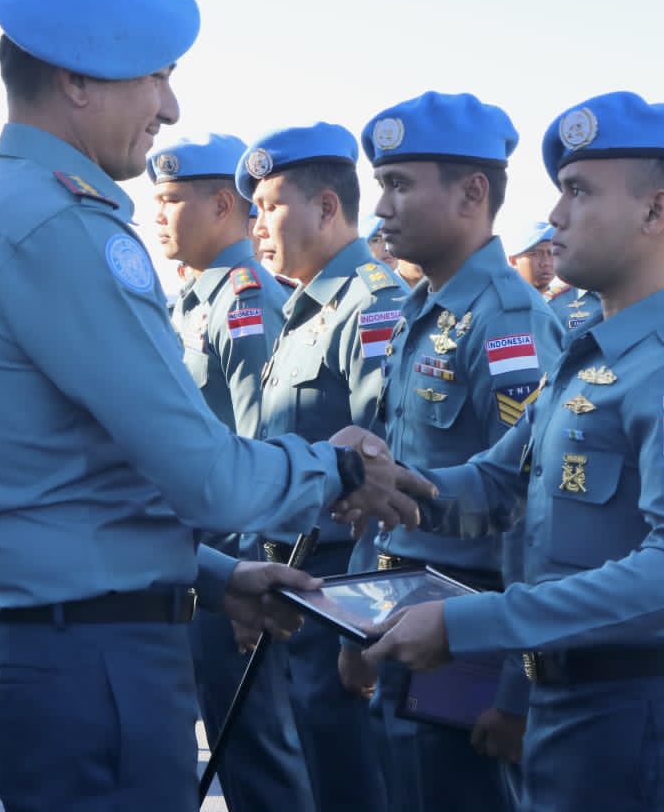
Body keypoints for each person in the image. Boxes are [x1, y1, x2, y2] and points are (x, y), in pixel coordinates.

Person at [0, 0, 431, 810]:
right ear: (77, 80)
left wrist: (219, 578)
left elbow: (75, 490)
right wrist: (342, 467)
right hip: (94, 671)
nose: (169, 107)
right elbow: (205, 475)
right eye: (156, 77)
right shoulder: (61, 228)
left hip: (66, 657)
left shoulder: (5, 214)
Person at [360, 91, 664, 812]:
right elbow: (494, 486)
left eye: (578, 192)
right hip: (568, 709)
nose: (554, 216)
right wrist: (382, 483)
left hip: (643, 721)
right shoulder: (591, 359)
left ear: (655, 212)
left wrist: (468, 625)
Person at [345, 91, 565, 812]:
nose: (382, 208)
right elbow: (392, 480)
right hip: (400, 609)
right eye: (382, 185)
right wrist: (355, 618)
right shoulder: (422, 309)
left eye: (400, 185)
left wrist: (518, 685)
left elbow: (527, 506)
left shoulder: (508, 319)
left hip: (466, 630)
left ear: (473, 193)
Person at [239, 122, 408, 812]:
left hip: (339, 582)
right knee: (315, 765)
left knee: (352, 778)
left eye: (271, 206)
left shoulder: (373, 304)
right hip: (294, 579)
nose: (257, 226)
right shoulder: (302, 309)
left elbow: (382, 465)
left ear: (327, 207)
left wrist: (362, 614)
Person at [147, 133, 317, 812]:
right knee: (229, 740)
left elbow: (257, 445)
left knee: (259, 752)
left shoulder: (247, 303)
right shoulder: (190, 303)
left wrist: (247, 577)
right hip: (202, 561)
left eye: (169, 200)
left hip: (235, 562)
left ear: (222, 205)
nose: (157, 215)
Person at [506, 221, 556, 295]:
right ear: (513, 261)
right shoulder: (499, 299)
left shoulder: (567, 299)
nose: (546, 263)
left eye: (552, 254)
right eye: (534, 254)